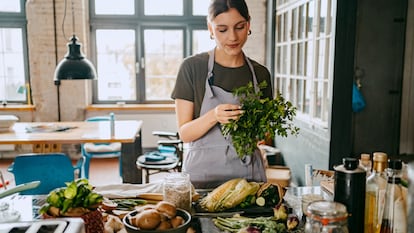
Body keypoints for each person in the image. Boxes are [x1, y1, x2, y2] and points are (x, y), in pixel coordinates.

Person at [171, 0, 273, 189]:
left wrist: (258, 127)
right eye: (222, 29)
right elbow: (184, 133)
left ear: (248, 24)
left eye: (240, 27)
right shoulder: (192, 68)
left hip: (248, 178)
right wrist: (214, 116)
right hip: (202, 178)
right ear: (210, 28)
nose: (233, 37)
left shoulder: (260, 74)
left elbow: (263, 135)